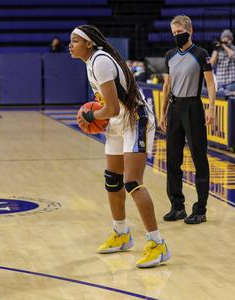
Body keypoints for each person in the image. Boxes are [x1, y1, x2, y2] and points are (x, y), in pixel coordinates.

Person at [69, 25, 171, 268]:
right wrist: (97, 112)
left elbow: (112, 108)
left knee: (132, 181)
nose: (70, 45)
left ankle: (158, 244)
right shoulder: (90, 62)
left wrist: (92, 117)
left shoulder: (100, 61)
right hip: (118, 122)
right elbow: (108, 105)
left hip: (136, 119)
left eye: (75, 41)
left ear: (89, 44)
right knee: (112, 179)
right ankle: (122, 233)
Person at [160, 15, 216, 225]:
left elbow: (210, 84)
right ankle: (177, 206)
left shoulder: (201, 54)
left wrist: (211, 108)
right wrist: (163, 112)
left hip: (193, 106)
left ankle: (200, 209)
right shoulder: (169, 55)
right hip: (174, 107)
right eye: (173, 33)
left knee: (199, 157)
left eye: (179, 32)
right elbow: (167, 86)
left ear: (189, 31)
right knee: (173, 159)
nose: (176, 36)